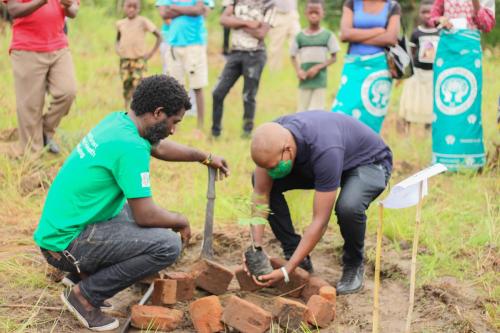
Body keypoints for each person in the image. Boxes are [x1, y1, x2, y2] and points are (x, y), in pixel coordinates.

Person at [33, 75, 230, 331]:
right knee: (167, 244)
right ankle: (85, 296)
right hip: (65, 245)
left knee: (141, 218)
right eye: (174, 122)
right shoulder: (131, 147)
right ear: (158, 113)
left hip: (62, 230)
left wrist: (204, 157)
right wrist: (181, 220)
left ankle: (81, 276)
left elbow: (159, 148)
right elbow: (145, 215)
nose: (173, 130)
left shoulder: (120, 121)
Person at [246, 111, 392, 295]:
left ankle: (353, 265)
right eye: (267, 167)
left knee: (348, 207)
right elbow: (261, 195)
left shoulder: (324, 148)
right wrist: (256, 248)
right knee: (264, 182)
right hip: (327, 162)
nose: (271, 170)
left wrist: (287, 269)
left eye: (274, 166)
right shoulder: (270, 141)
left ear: (288, 150)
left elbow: (320, 221)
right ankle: (295, 251)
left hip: (368, 163)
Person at [1, 0, 79, 157]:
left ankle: (45, 131)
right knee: (30, 106)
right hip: (26, 47)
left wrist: (68, 5)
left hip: (58, 45)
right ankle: (33, 157)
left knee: (68, 91)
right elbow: (13, 10)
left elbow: (74, 11)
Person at [429, 0, 495, 170]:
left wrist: (476, 4)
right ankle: (442, 160)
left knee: (468, 104)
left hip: (469, 52)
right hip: (447, 50)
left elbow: (487, 25)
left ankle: (470, 161)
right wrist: (441, 20)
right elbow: (433, 17)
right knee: (444, 106)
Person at [331, 0, 401, 133]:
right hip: (354, 66)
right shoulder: (351, 3)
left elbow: (391, 38)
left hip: (380, 67)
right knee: (342, 111)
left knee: (372, 116)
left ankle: (368, 151)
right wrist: (377, 31)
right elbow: (345, 34)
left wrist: (357, 36)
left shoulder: (392, 6)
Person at [211, 0, 277, 138]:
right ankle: (215, 132)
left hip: (255, 54)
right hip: (235, 53)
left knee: (248, 96)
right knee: (218, 93)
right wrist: (247, 23)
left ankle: (247, 132)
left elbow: (261, 33)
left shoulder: (269, 4)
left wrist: (235, 23)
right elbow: (223, 19)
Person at [158, 0, 213, 132]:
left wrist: (175, 9)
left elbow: (199, 10)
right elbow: (164, 13)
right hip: (174, 43)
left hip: (194, 44)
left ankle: (200, 127)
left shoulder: (174, 4)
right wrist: (189, 10)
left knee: (197, 86)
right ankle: (174, 125)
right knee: (175, 87)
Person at [398, 0, 439, 133]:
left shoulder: (440, 32)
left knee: (429, 102)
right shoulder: (416, 33)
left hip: (433, 74)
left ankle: (429, 128)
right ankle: (406, 126)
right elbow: (412, 53)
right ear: (419, 14)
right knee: (412, 100)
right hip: (417, 73)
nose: (427, 15)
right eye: (424, 12)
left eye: (430, 12)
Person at [290, 0, 339, 112]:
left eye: (316, 12)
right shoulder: (300, 36)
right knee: (302, 110)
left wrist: (318, 67)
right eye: (311, 12)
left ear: (323, 14)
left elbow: (334, 57)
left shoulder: (327, 35)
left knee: (316, 110)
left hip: (320, 80)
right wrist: (298, 71)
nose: (313, 15)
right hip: (304, 79)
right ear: (305, 14)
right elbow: (292, 56)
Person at [116, 0, 161, 110]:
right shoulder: (120, 23)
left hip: (138, 60)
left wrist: (151, 53)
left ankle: (139, 109)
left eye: (134, 7)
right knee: (126, 84)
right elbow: (117, 39)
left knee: (139, 86)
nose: (131, 9)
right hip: (125, 61)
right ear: (124, 7)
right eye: (129, 6)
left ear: (139, 8)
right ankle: (127, 109)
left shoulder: (143, 22)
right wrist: (117, 48)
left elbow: (159, 36)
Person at [267, 0, 301, 71]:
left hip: (292, 13)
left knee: (298, 42)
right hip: (277, 13)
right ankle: (274, 72)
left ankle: (301, 70)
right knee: (275, 47)